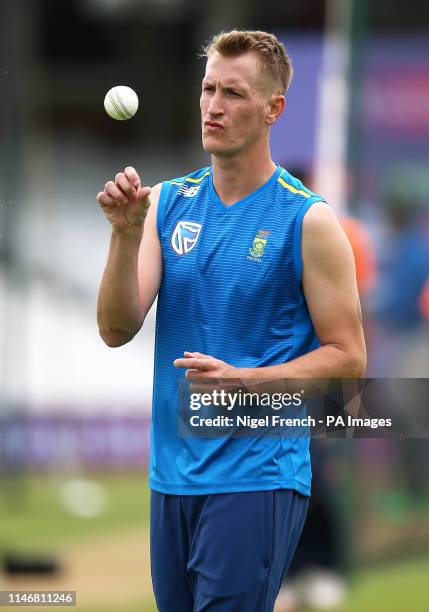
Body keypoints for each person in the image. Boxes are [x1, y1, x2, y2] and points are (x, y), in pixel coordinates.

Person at [96, 30, 366, 612]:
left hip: (257, 472)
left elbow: (349, 359)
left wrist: (247, 382)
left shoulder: (308, 220)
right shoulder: (165, 204)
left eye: (234, 94)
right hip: (170, 475)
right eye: (208, 89)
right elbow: (116, 328)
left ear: (275, 110)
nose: (214, 107)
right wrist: (123, 236)